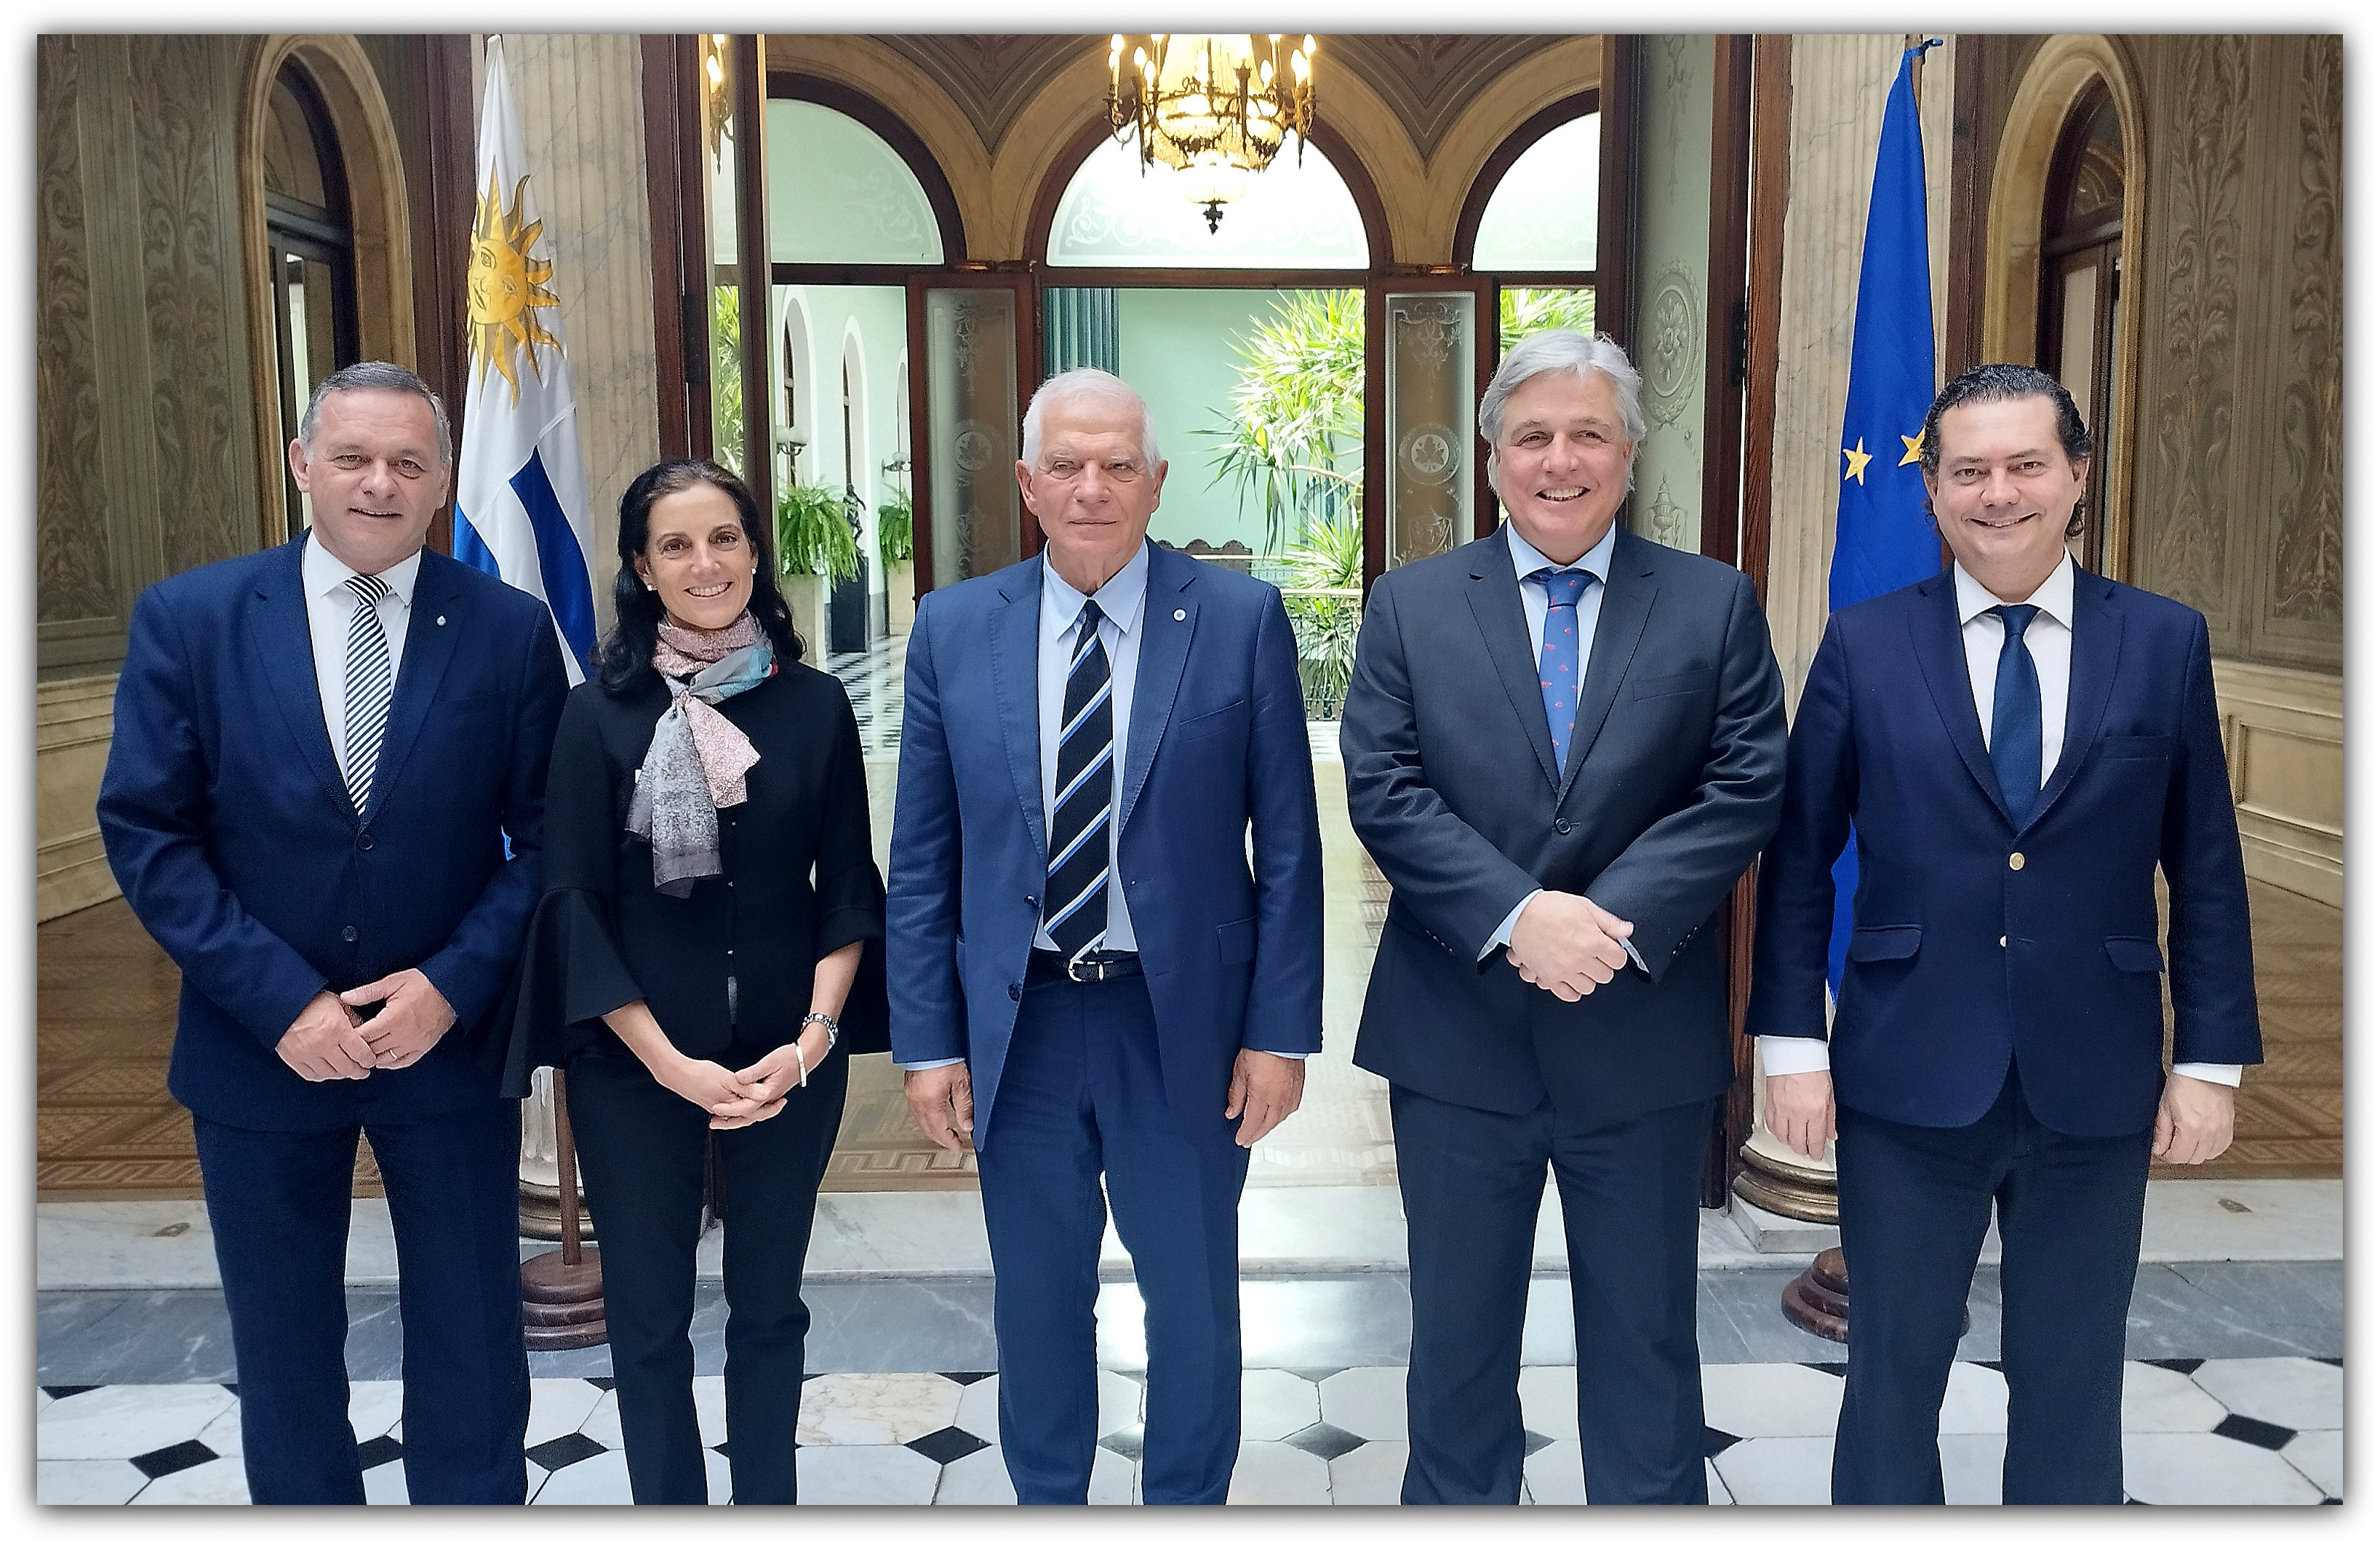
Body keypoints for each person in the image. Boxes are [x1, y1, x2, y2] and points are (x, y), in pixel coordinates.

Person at [1749, 362, 2260, 1504]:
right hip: (1907, 1075)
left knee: (2072, 1376)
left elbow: (2208, 866)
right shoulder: (1866, 643)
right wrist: (1792, 1046)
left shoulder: (2165, 641)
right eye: (1967, 470)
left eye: (2027, 465)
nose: (1998, 494)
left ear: (2079, 476)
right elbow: (1798, 859)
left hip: (2098, 1077)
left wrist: (2211, 1063)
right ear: (1930, 491)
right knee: (1891, 1371)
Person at [95, 362, 567, 1504]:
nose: (379, 483)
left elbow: (555, 841)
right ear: (302, 464)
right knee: (285, 1355)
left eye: (408, 462)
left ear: (445, 479)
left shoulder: (507, 630)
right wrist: (284, 1003)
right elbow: (149, 832)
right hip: (260, 1053)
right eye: (352, 457)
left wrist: (450, 987)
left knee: (471, 1345)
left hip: (445, 1052)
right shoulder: (194, 618)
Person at [1340, 330, 1786, 1505]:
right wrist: (1516, 914)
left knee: (1646, 1348)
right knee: (1457, 1349)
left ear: (1630, 454)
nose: (1560, 461)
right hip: (1457, 1040)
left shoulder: (1712, 602)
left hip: (1639, 1041)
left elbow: (1747, 783)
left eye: (1589, 433)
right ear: (1491, 457)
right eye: (1533, 436)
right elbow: (1382, 786)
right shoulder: (1411, 603)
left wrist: (1609, 921)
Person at [886, 367, 1323, 1504]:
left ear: (1157, 480)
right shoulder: (952, 628)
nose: (1094, 488)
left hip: (1177, 1024)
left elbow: (1288, 847)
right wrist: (928, 1042)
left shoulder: (1238, 620)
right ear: (1027, 484)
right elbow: (926, 860)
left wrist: (1280, 1033)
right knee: (1035, 1299)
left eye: (1119, 465)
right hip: (1021, 1027)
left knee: (1192, 1299)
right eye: (1068, 467)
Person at [500, 458, 888, 1504]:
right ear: (641, 566)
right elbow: (571, 905)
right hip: (634, 1067)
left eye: (724, 538)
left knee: (770, 1309)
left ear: (754, 553)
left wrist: (810, 1045)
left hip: (785, 1060)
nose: (704, 562)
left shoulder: (811, 708)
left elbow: (850, 889)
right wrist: (670, 1064)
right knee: (648, 1316)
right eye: (675, 544)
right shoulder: (599, 715)